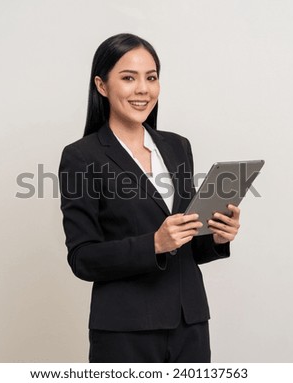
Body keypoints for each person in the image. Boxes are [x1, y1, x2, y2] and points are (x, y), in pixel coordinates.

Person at [58, 33, 241, 363]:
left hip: (190, 326)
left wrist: (215, 236)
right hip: (125, 332)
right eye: (129, 78)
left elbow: (185, 243)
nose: (143, 89)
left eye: (151, 77)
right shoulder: (82, 157)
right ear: (101, 85)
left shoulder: (177, 147)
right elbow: (82, 258)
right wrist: (153, 243)